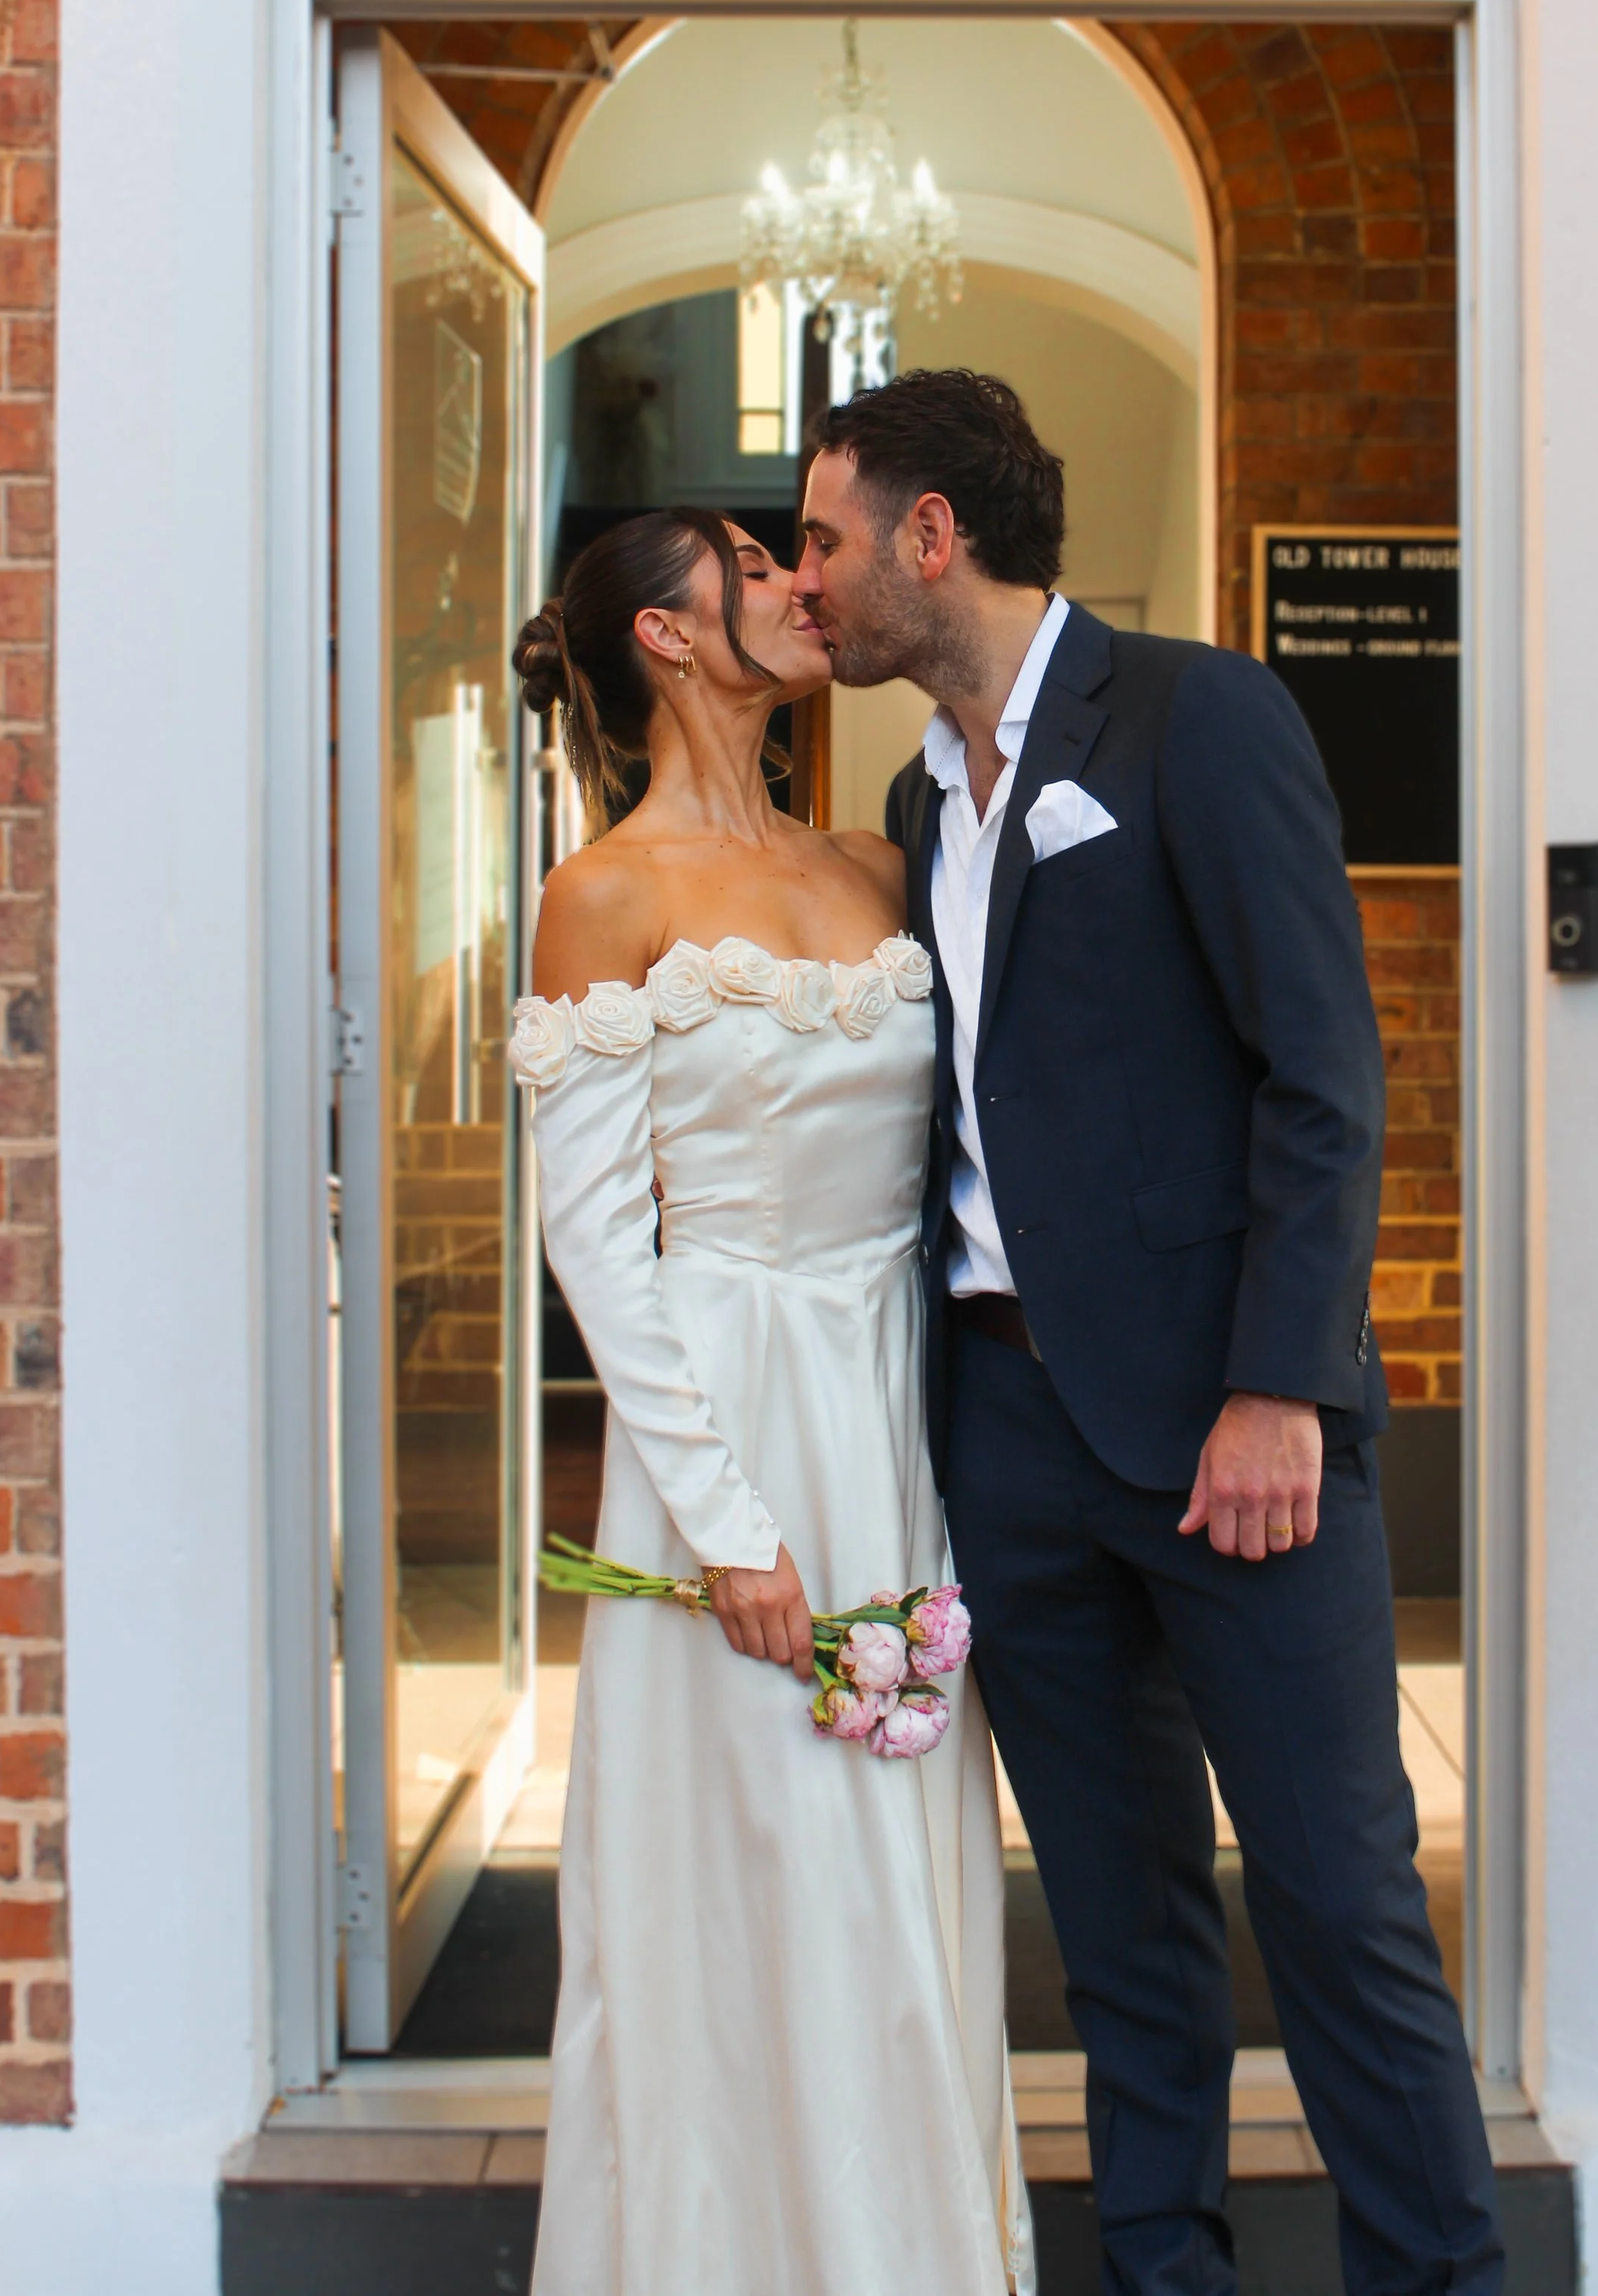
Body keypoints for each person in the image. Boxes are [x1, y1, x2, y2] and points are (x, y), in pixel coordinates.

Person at [795, 372, 1503, 2296]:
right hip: (1008, 1442)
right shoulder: (906, 794)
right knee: (1116, 1932)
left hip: (1232, 1440)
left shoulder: (1199, 717)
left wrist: (1279, 1384)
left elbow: (1320, 1074)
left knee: (1338, 1906)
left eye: (825, 538)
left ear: (927, 537)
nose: (810, 582)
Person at [507, 506, 1033, 2296]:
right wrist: (726, 1528)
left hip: (890, 1414)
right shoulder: (606, 896)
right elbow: (594, 1244)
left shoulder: (878, 867)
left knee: (893, 1885)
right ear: (664, 636)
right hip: (719, 1424)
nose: (800, 588)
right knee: (743, 1880)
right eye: (753, 567)